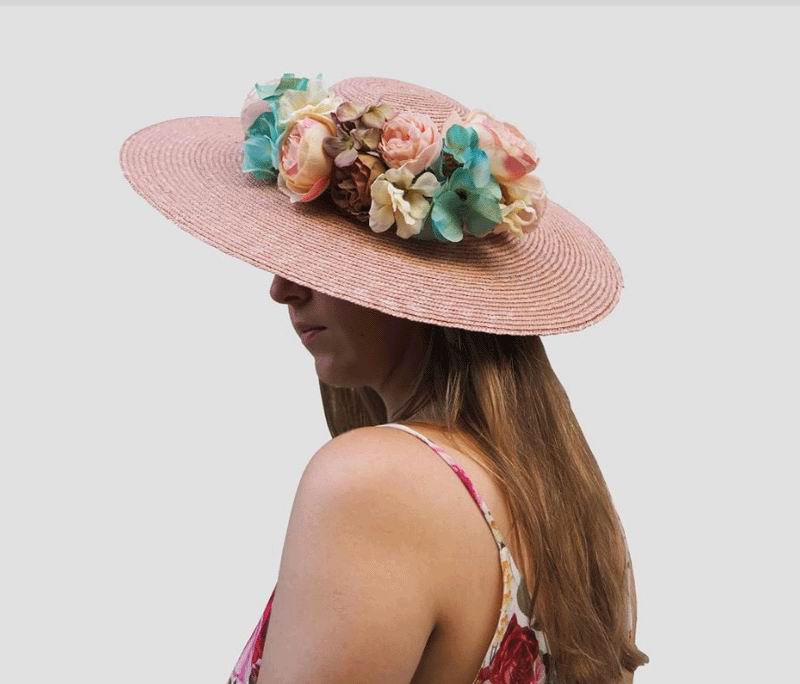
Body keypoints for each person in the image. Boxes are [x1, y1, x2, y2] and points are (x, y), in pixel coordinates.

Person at [120, 73, 650, 684]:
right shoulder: (564, 511)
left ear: (416, 283)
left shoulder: (377, 483)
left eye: (321, 262)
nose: (281, 288)